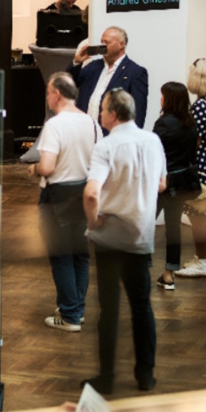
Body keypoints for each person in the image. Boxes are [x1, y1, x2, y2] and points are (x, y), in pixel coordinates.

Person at [82, 89, 166, 394]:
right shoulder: (153, 141)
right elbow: (161, 183)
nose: (101, 116)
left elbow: (92, 192)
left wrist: (94, 220)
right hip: (140, 234)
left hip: (110, 237)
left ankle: (106, 377)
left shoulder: (106, 146)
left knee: (109, 309)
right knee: (142, 307)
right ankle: (145, 375)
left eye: (103, 110)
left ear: (113, 114)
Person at [29, 72, 101, 332]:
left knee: (60, 256)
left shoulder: (55, 125)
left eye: (48, 92)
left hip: (57, 196)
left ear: (57, 94)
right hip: (84, 193)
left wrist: (34, 169)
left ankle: (70, 314)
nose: (47, 97)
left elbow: (48, 167)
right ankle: (77, 309)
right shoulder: (92, 123)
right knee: (80, 255)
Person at [176, 58, 206, 277]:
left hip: (199, 165)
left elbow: (194, 139)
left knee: (198, 216)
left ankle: (202, 261)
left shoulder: (199, 107)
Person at [153, 82, 200, 291]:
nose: (160, 99)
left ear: (169, 99)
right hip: (181, 184)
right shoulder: (191, 124)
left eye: (162, 95)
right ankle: (169, 274)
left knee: (144, 225)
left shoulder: (163, 124)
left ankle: (136, 267)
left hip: (161, 183)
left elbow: (154, 154)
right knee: (174, 229)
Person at [70, 26, 148, 130]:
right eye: (102, 42)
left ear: (121, 45)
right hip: (84, 133)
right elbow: (69, 84)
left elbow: (138, 113)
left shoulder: (135, 72)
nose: (103, 46)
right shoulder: (93, 66)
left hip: (112, 137)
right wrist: (77, 62)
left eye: (107, 43)